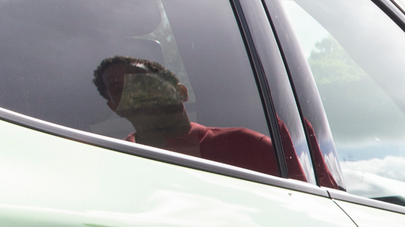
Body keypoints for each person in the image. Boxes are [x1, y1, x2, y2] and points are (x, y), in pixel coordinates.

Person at [92, 55, 280, 177]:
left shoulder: (247, 146)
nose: (137, 93)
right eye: (120, 89)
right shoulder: (108, 167)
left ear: (181, 92)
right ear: (114, 108)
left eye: (146, 82)